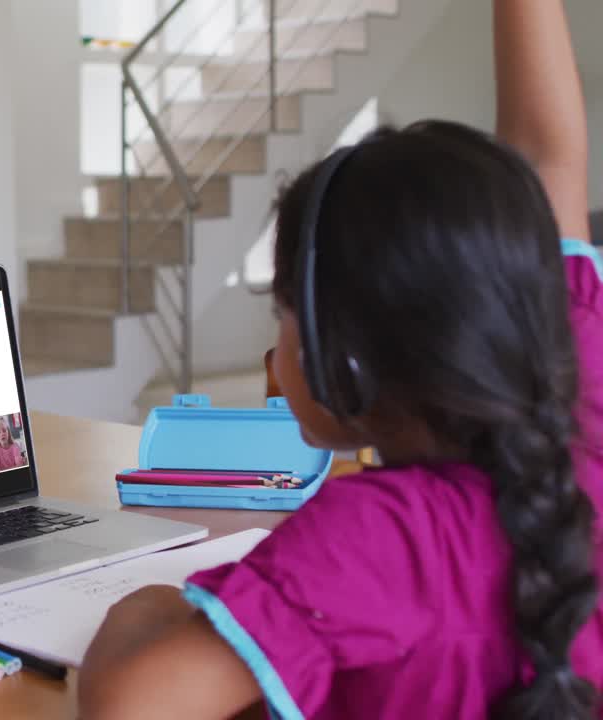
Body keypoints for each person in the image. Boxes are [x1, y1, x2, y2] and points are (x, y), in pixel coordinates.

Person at [77, 2, 603, 718]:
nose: (273, 349)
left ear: (343, 353)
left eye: (282, 310)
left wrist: (147, 605)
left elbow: (131, 707)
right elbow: (548, 158)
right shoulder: (581, 374)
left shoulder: (378, 535)